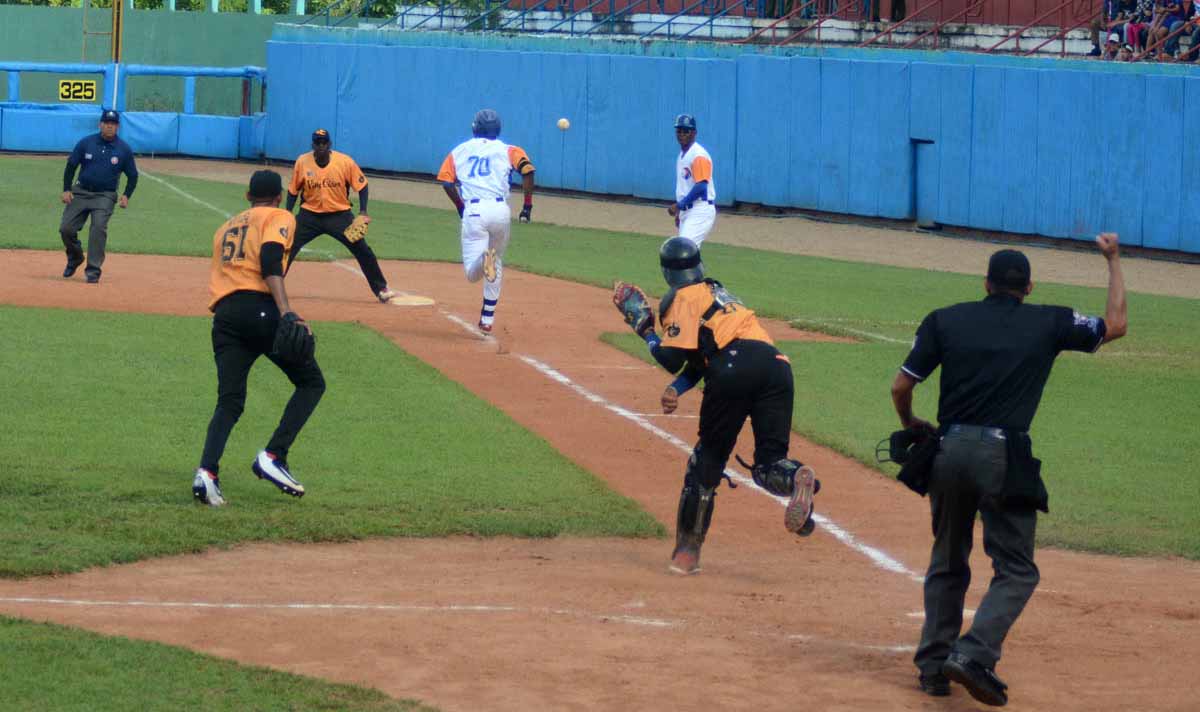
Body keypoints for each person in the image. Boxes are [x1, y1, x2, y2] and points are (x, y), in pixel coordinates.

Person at [890, 235, 1127, 706]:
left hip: (949, 452)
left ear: (986, 283)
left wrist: (911, 423)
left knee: (948, 559)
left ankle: (934, 668)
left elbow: (900, 386)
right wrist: (1114, 260)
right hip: (1004, 457)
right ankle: (974, 653)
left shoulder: (946, 318)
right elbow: (1116, 324)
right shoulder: (1049, 321)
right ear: (1030, 287)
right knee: (1016, 568)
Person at [620, 237, 819, 575]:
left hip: (732, 366)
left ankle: (687, 554)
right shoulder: (717, 293)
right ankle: (796, 476)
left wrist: (645, 331)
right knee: (768, 464)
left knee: (707, 462)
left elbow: (671, 357)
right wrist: (676, 388)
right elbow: (701, 360)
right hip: (777, 365)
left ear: (667, 273)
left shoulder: (680, 298)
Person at [192, 170, 326, 508]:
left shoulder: (225, 227)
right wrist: (287, 312)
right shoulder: (279, 216)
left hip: (224, 317)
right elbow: (269, 261)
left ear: (247, 196)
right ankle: (273, 455)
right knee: (311, 383)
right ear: (279, 197)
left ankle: (207, 473)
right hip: (259, 309)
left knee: (230, 401)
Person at [436, 109, 536, 333]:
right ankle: (487, 319)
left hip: (475, 210)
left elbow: (446, 182)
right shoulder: (509, 150)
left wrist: (461, 207)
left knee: (473, 274)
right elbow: (528, 171)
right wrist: (527, 206)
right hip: (501, 211)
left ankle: (484, 260)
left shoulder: (459, 151)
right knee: (496, 261)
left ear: (475, 128)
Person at [285, 129, 397, 303]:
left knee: (362, 249)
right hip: (309, 215)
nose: (321, 146)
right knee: (287, 246)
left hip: (340, 216)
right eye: (317, 143)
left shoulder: (345, 162)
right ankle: (269, 287)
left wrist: (363, 211)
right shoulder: (302, 162)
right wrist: (287, 214)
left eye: (324, 143)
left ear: (329, 144)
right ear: (312, 145)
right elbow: (293, 191)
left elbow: (362, 185)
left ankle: (381, 288)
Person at [58, 109, 138, 284]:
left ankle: (93, 270)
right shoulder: (86, 143)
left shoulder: (123, 149)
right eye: (106, 123)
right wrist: (66, 189)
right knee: (66, 229)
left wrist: (126, 195)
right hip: (81, 191)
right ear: (100, 124)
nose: (109, 127)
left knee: (98, 228)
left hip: (105, 195)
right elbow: (71, 165)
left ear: (117, 127)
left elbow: (133, 175)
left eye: (113, 124)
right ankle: (75, 257)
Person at [667, 114, 717, 248]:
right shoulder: (683, 155)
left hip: (700, 209)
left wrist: (679, 205)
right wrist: (680, 211)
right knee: (689, 256)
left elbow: (701, 186)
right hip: (688, 210)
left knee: (684, 251)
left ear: (694, 133)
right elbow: (686, 188)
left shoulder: (698, 155)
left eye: (686, 131)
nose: (682, 134)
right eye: (679, 130)